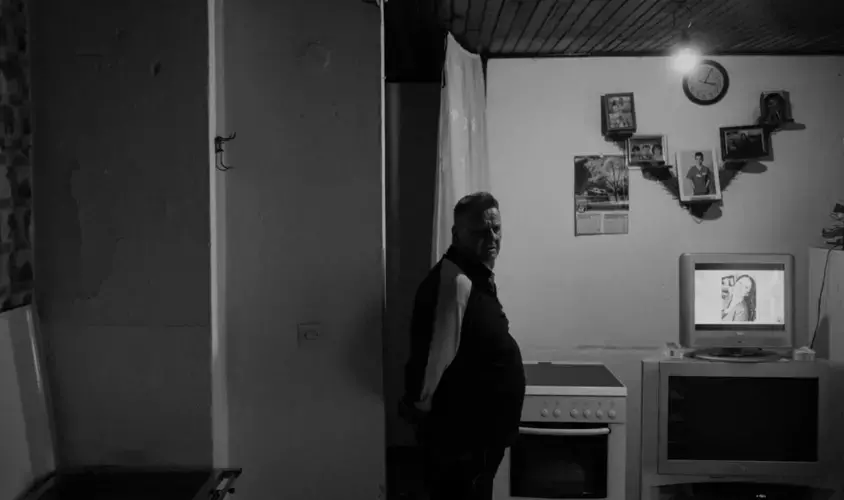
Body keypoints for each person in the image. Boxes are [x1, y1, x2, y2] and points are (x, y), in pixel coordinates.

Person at [401, 192, 526, 500]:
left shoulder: (474, 276)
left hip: (479, 441)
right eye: (482, 231)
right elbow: (431, 362)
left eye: (496, 228)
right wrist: (422, 415)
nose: (493, 237)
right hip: (463, 443)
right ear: (457, 234)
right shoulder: (455, 282)